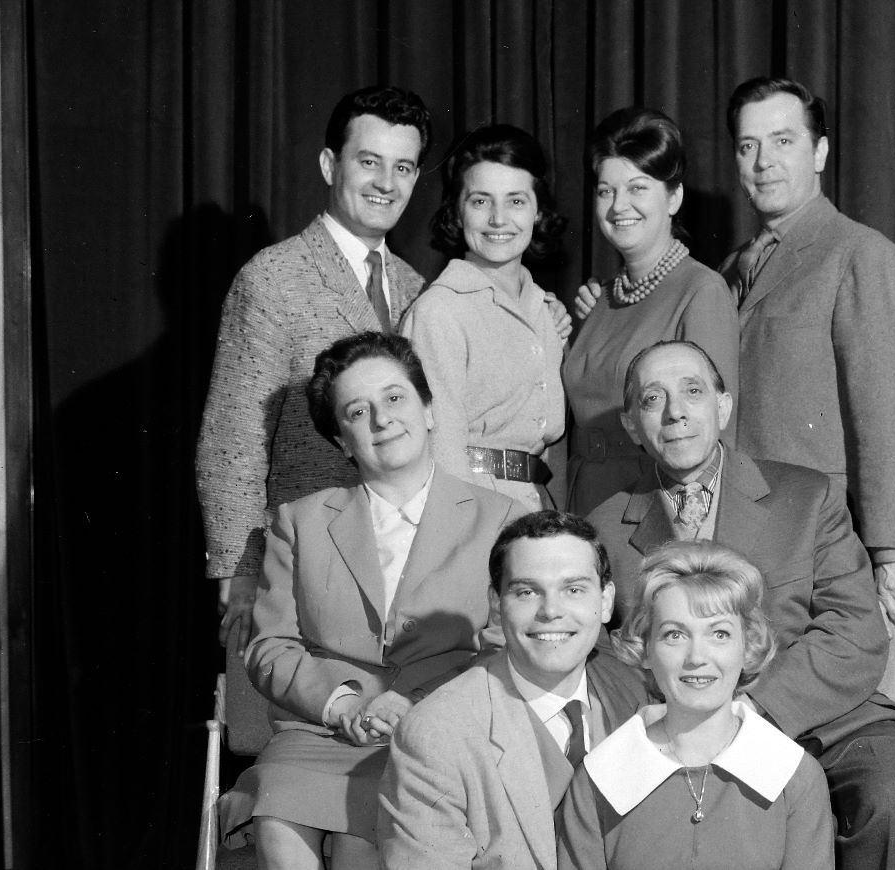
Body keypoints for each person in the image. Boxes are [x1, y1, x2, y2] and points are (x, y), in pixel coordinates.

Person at [585, 341, 895, 869]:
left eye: (693, 391)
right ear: (631, 424)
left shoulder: (807, 496)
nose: (676, 412)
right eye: (653, 398)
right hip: (685, 735)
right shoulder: (603, 525)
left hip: (826, 722)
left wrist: (753, 712)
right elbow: (603, 653)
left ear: (723, 406)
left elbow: (854, 630)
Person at [226, 332, 526, 869]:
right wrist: (344, 704)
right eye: (358, 411)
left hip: (437, 732)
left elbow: (506, 649)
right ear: (342, 440)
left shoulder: (502, 520)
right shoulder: (299, 522)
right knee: (278, 828)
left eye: (394, 398)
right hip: (320, 730)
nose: (382, 419)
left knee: (360, 848)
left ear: (428, 410)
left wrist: (419, 709)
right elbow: (271, 647)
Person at [196, 85, 433, 650]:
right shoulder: (272, 277)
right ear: (330, 165)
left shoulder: (418, 288)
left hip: (405, 564)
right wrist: (239, 568)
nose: (386, 182)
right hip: (303, 559)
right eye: (369, 161)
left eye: (402, 167)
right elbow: (233, 438)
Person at [723, 77, 895, 646]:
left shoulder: (860, 253)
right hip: (739, 538)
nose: (764, 161)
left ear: (819, 152)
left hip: (824, 542)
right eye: (748, 146)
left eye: (783, 141)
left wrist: (890, 552)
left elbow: (893, 412)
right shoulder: (728, 271)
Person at [377, 510, 646, 870]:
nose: (551, 611)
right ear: (496, 604)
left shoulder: (635, 692)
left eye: (574, 589)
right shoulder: (434, 735)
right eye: (527, 591)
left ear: (606, 600)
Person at [557, 540, 834, 870]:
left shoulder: (794, 776)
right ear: (645, 648)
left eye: (719, 634)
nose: (697, 657)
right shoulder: (599, 779)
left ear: (748, 646)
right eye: (675, 635)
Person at [561, 107, 739, 515]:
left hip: (654, 503)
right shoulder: (601, 298)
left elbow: (717, 434)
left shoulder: (701, 291)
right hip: (586, 497)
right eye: (606, 191)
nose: (618, 206)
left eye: (637, 188)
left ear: (674, 197)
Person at [401, 124, 569, 511]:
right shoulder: (439, 311)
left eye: (516, 201)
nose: (498, 219)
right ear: (457, 212)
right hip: (474, 510)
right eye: (480, 201)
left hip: (538, 508)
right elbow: (441, 451)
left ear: (538, 211)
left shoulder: (545, 310)